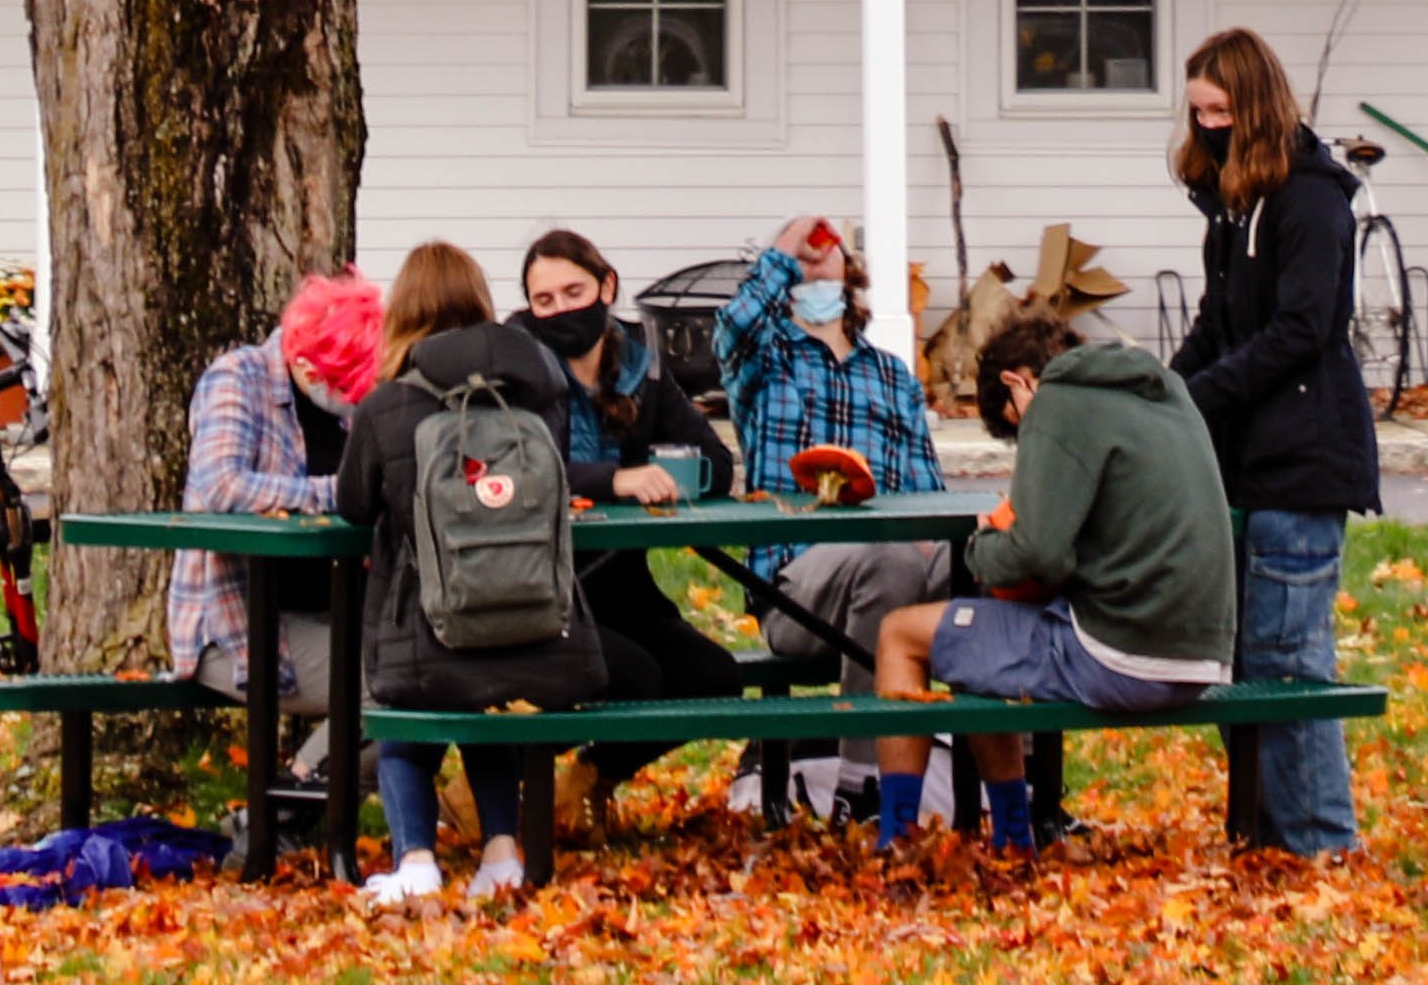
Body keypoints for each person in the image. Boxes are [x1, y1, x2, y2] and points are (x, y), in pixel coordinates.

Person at [854, 298, 1238, 856]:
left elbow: (1038, 556)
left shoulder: (1056, 402)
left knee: (900, 634)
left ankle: (899, 843)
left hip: (1124, 655)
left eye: (1016, 425)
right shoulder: (1164, 392)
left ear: (1018, 382)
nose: (1025, 441)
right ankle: (1013, 837)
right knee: (979, 645)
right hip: (1203, 656)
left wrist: (982, 548)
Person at [334, 240, 604, 909]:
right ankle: (503, 854)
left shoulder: (388, 406)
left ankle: (417, 861)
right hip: (531, 625)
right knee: (491, 706)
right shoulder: (538, 397)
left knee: (401, 730)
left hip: (425, 627)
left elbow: (353, 503)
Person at [1169, 27, 1381, 858]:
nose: (1208, 127)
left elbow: (1300, 331)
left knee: (1290, 660)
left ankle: (1323, 844)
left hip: (1302, 458)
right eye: (1197, 114)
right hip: (1241, 462)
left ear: (1255, 106)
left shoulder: (1312, 200)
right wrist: (1163, 393)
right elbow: (1217, 325)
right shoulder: (1231, 207)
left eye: (1221, 111)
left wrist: (1199, 394)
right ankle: (1267, 831)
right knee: (1239, 659)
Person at [519, 231, 745, 813]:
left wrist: (667, 472)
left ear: (607, 286)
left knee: (714, 679)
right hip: (541, 593)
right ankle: (488, 789)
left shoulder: (642, 367)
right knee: (635, 676)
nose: (562, 309)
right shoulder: (515, 370)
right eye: (545, 301)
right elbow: (513, 472)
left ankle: (590, 780)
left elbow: (716, 466)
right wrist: (612, 479)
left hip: (623, 588)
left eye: (574, 291)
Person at [713, 209, 952, 714]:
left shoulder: (892, 376)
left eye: (825, 258)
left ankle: (1011, 775)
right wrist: (785, 252)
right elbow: (733, 327)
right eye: (801, 263)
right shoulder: (764, 361)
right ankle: (863, 784)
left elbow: (928, 495)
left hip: (900, 569)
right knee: (888, 560)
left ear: (850, 272)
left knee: (988, 561)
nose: (814, 266)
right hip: (798, 587)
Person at [172, 263, 382, 734]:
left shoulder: (350, 407)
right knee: (386, 685)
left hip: (340, 606)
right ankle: (295, 795)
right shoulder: (237, 378)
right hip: (239, 627)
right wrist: (338, 494)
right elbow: (223, 485)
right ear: (306, 363)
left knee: (437, 674)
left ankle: (304, 795)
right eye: (346, 387)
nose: (353, 400)